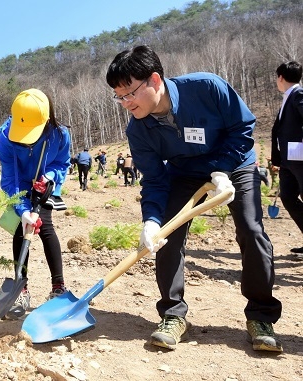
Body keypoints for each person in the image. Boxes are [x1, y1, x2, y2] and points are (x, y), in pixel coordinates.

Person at [106, 45, 282, 352]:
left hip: (234, 163)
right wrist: (150, 220)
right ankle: (173, 315)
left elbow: (243, 127)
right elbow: (155, 179)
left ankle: (260, 316)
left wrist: (223, 169)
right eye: (118, 96)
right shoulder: (138, 129)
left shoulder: (206, 87)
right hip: (184, 172)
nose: (125, 103)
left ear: (155, 81)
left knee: (252, 231)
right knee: (165, 236)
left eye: (129, 93)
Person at [0, 88, 71, 319]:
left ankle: (58, 287)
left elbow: (63, 162)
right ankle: (21, 287)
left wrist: (50, 176)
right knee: (21, 227)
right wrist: (23, 210)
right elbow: (10, 179)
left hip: (43, 183)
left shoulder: (59, 134)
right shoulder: (6, 136)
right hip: (20, 186)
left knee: (45, 225)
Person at [270, 61, 303, 256]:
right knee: (288, 197)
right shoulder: (288, 97)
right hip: (288, 161)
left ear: (280, 77)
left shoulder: (298, 95)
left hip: (300, 158)